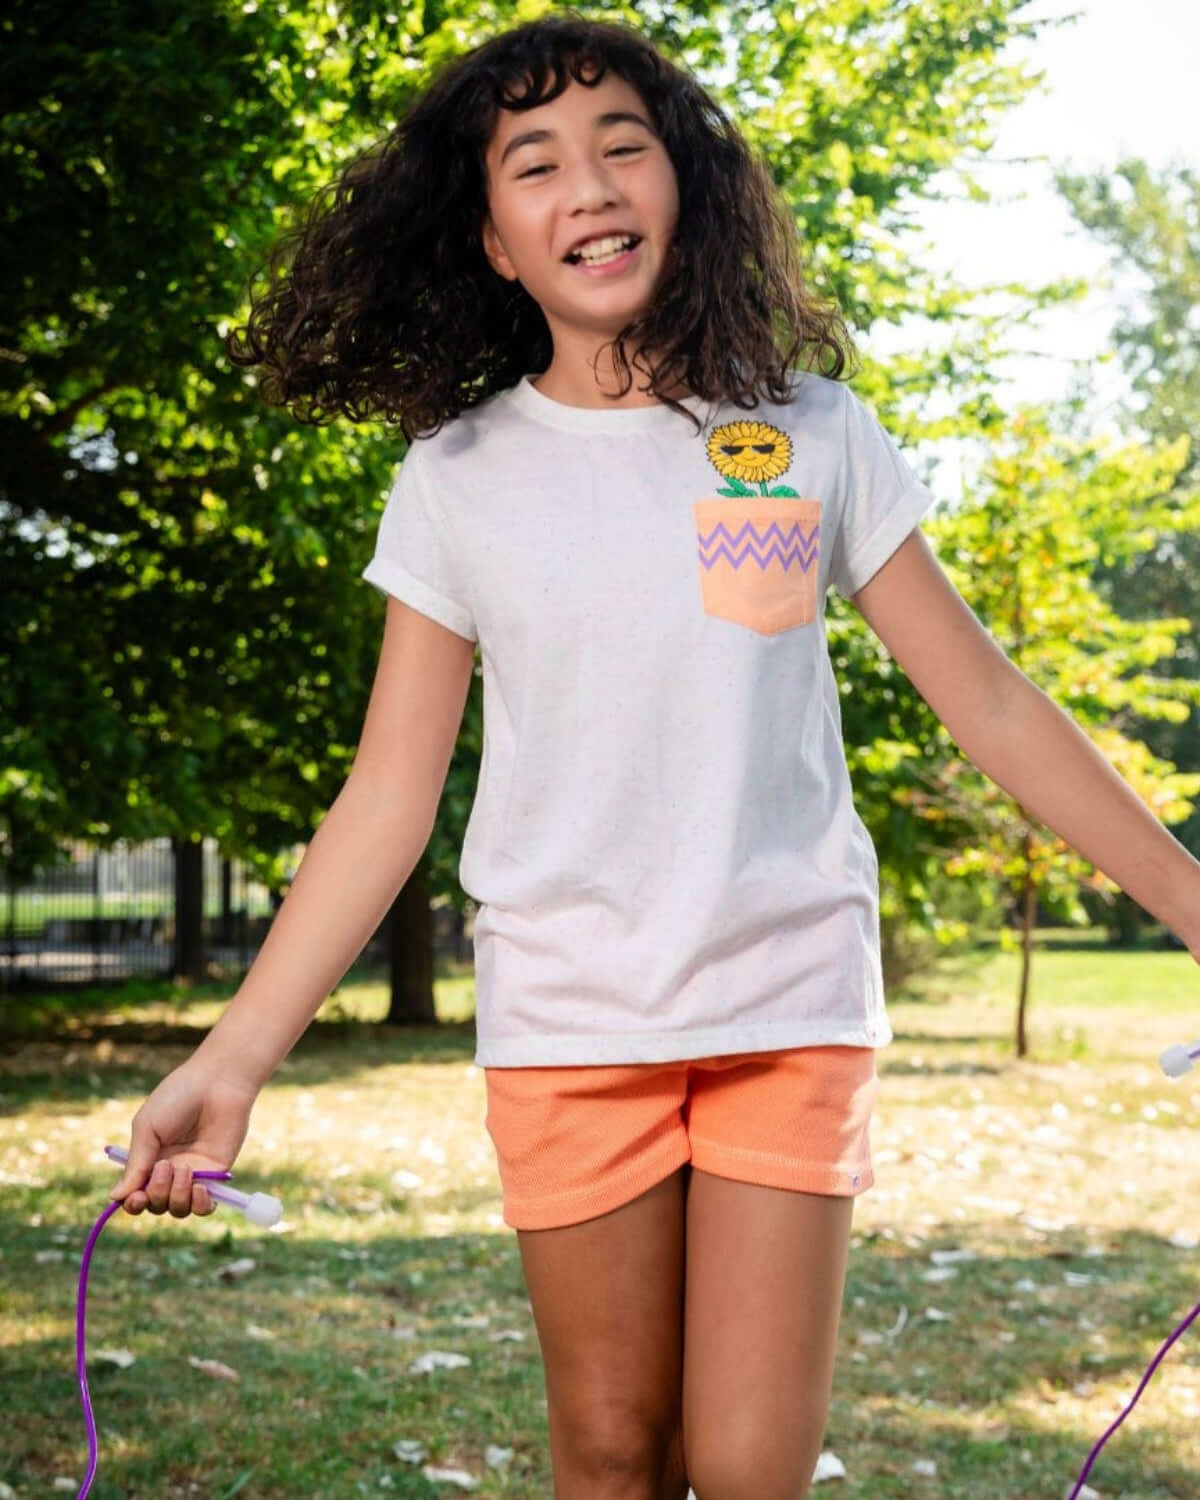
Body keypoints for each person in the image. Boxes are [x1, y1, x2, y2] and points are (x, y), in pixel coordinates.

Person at [109, 14, 1200, 1500]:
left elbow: (992, 706)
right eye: (536, 163)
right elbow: (388, 795)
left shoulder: (816, 433)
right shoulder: (456, 478)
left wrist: (1196, 906)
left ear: (683, 183)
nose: (591, 184)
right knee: (614, 1458)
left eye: (624, 144)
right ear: (493, 240)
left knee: (751, 1471)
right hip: (572, 1021)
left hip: (788, 996)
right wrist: (231, 1060)